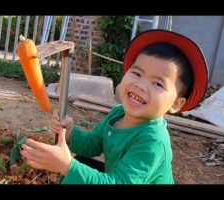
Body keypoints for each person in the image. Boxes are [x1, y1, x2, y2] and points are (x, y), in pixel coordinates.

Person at [21, 29, 208, 184]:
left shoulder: (153, 141)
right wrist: (70, 132)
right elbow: (92, 144)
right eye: (137, 73)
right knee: (79, 165)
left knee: (73, 169)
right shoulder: (118, 114)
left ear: (176, 104)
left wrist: (66, 166)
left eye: (158, 84)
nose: (140, 85)